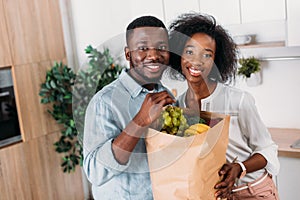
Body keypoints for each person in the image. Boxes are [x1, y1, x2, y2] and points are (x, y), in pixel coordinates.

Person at [168, 13, 280, 199]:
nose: (196, 61)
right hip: (215, 195)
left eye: (207, 54)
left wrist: (239, 167)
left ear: (215, 62)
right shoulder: (178, 106)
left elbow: (267, 149)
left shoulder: (239, 100)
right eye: (189, 51)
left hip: (252, 191)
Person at [83, 16, 175, 199]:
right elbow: (95, 172)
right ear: (128, 54)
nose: (154, 55)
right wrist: (140, 121)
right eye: (142, 48)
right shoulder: (104, 102)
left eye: (161, 48)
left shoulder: (166, 95)